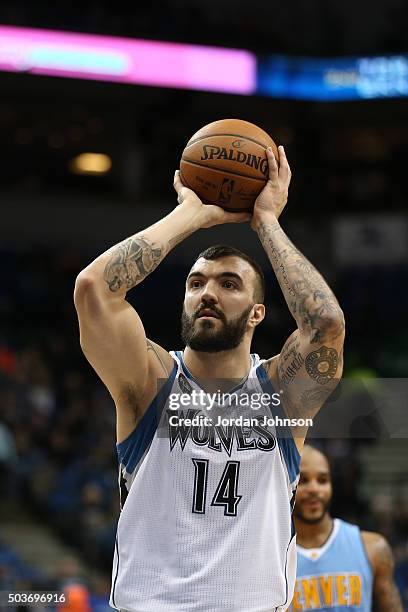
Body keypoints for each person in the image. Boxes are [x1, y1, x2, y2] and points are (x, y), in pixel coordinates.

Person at [74, 145, 345, 611]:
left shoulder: (281, 393)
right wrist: (190, 216)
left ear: (259, 313)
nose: (207, 293)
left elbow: (326, 325)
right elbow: (93, 289)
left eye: (229, 283)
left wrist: (267, 223)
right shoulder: (150, 382)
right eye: (196, 283)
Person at [290, 445, 403, 611]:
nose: (314, 489)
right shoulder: (270, 556)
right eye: (303, 480)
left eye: (322, 480)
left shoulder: (372, 548)